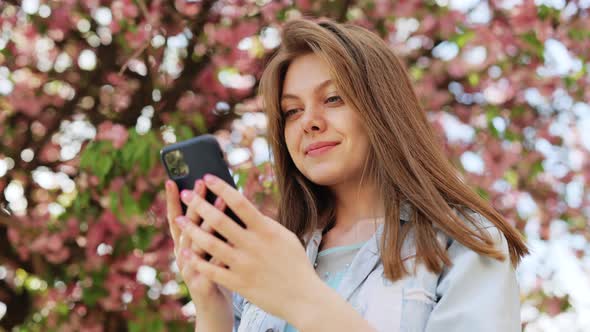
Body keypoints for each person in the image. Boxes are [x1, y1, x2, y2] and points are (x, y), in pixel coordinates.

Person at [164, 17, 529, 332]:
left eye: (333, 99)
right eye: (292, 111)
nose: (309, 122)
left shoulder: (461, 243)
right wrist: (212, 307)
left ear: (383, 108)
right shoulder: (271, 259)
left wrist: (302, 298)